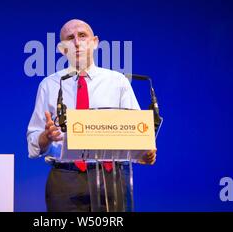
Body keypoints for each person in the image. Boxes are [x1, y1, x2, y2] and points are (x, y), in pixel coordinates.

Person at [26, 19, 157, 212]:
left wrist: (144, 152)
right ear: (62, 49)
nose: (77, 43)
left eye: (82, 36)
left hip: (111, 179)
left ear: (94, 42)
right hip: (65, 180)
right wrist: (46, 136)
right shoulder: (49, 85)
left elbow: (137, 133)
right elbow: (33, 142)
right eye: (70, 38)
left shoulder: (117, 82)